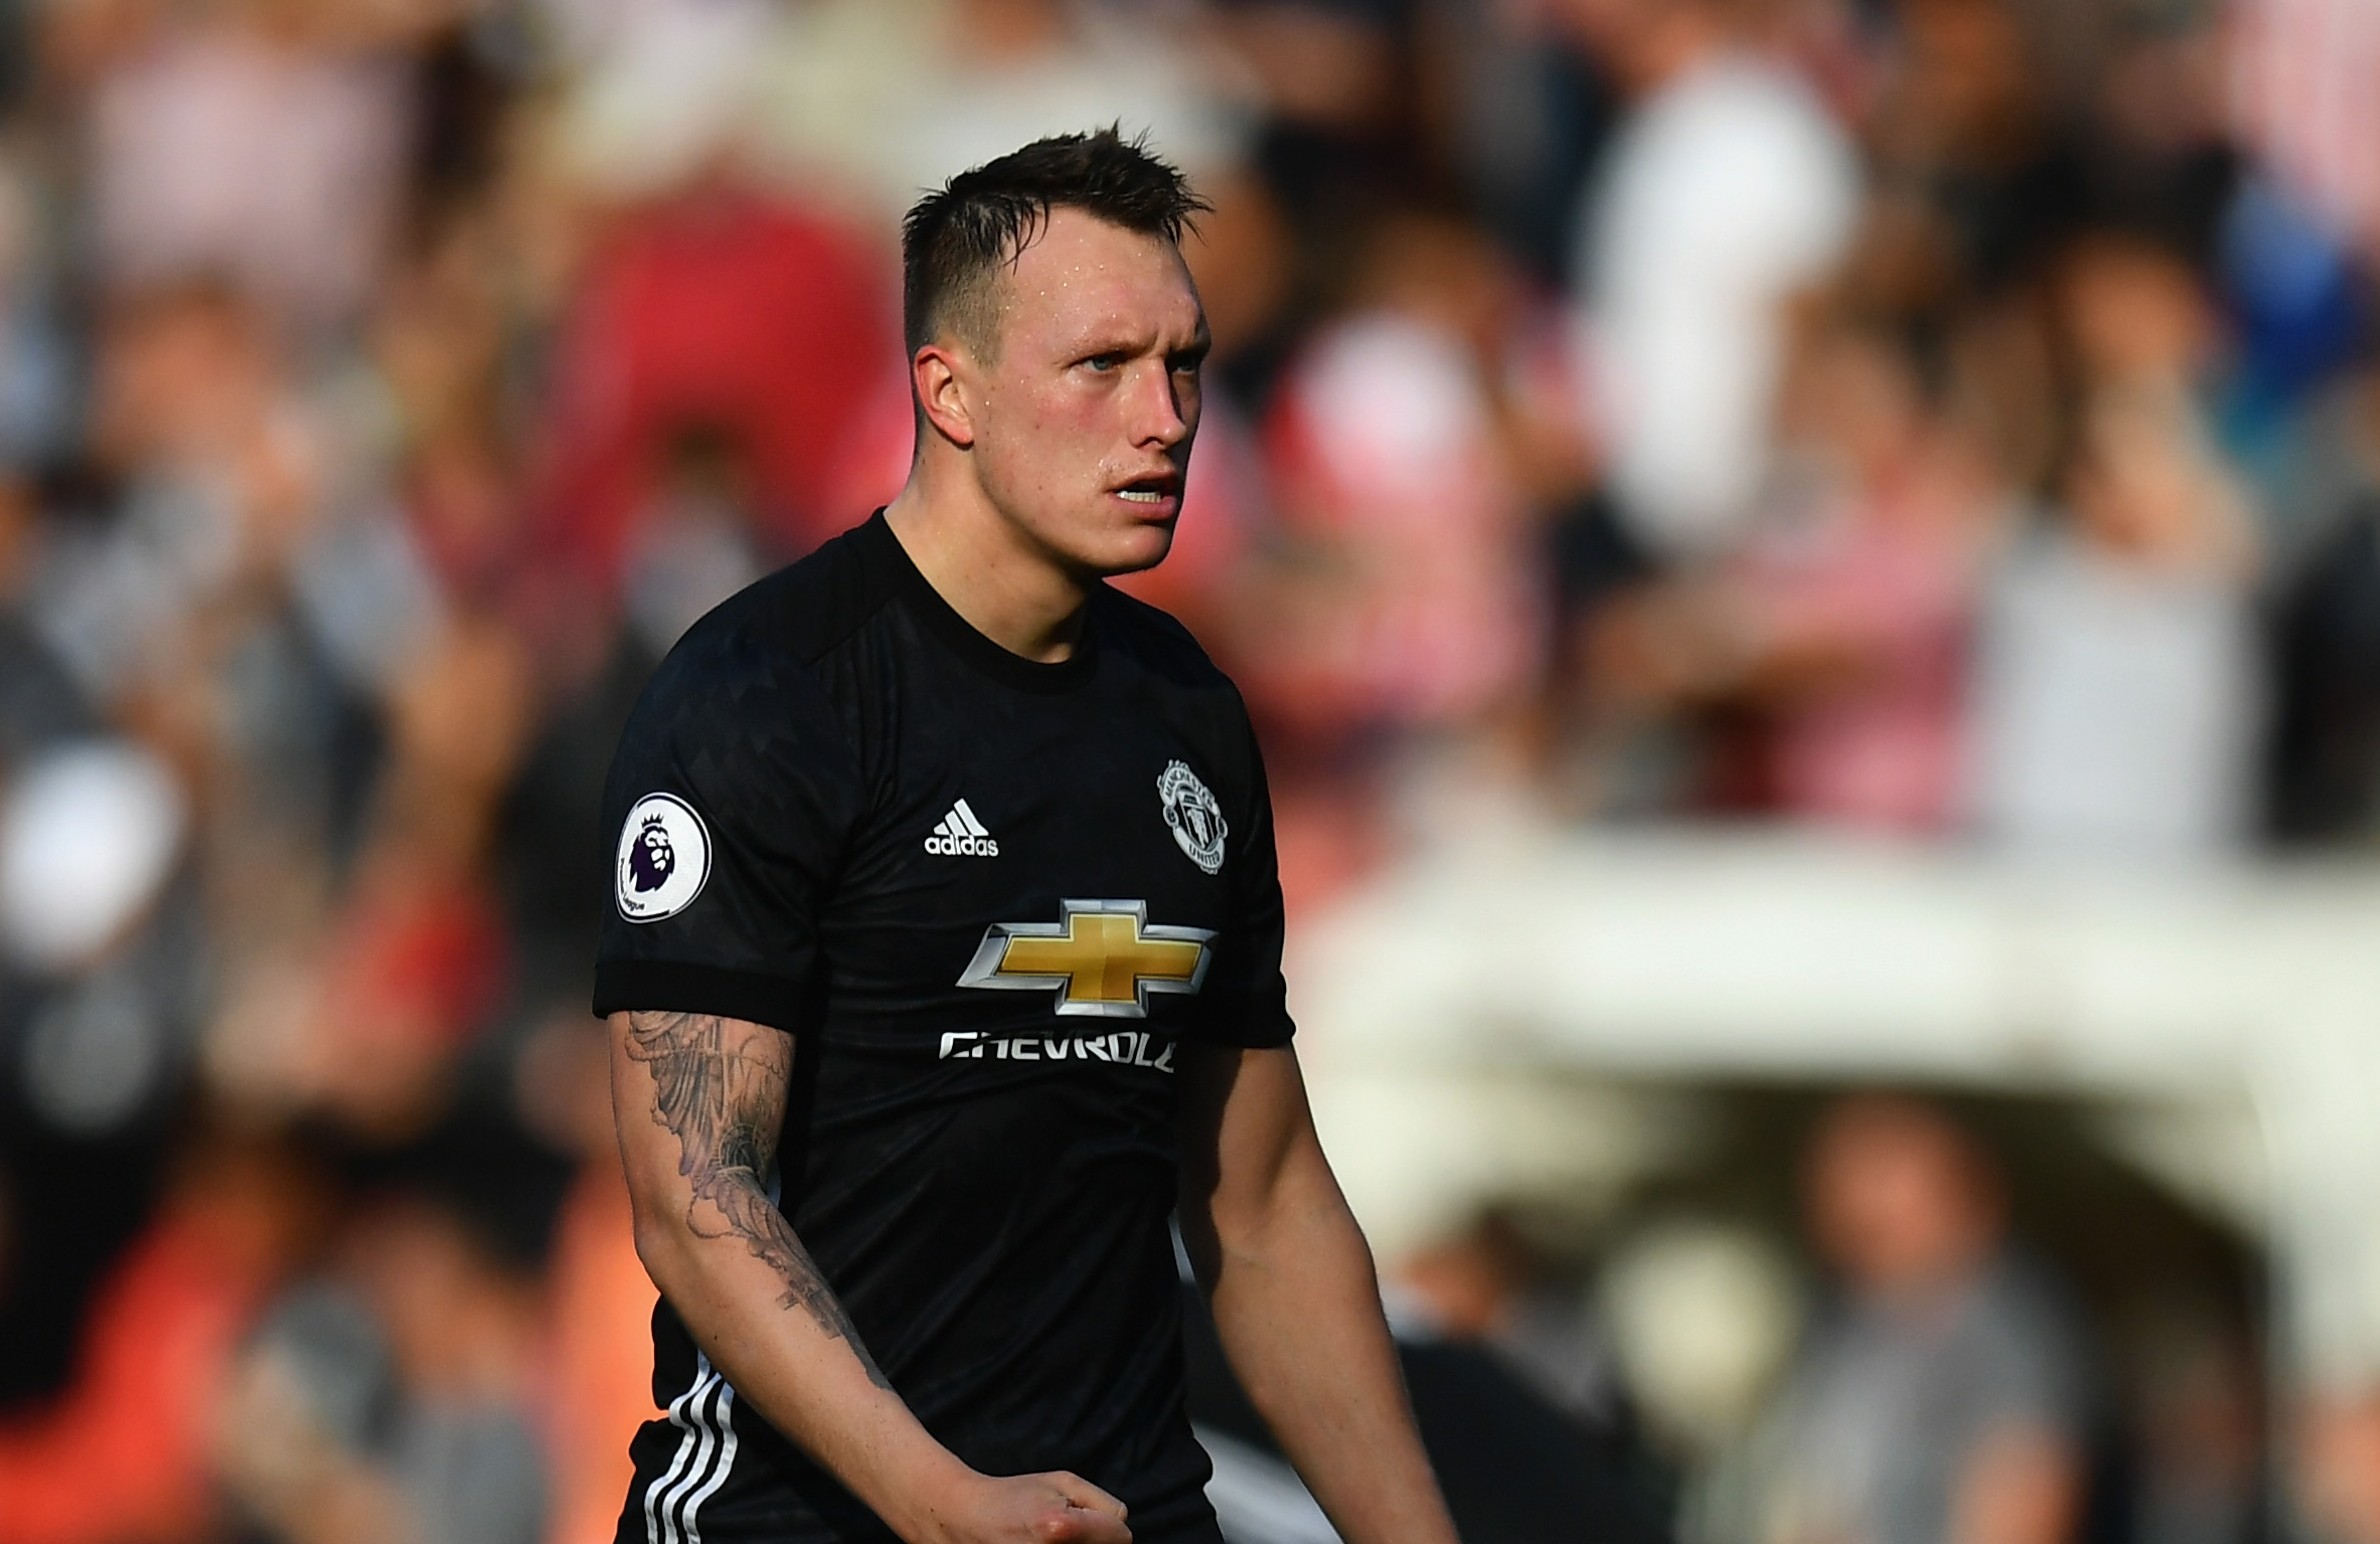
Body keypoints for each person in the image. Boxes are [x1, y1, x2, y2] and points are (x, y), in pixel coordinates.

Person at [592, 129, 1460, 1544]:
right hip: (809, 1520)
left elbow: (1266, 1207)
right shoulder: (767, 698)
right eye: (1103, 366)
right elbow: (696, 1189)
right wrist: (941, 1503)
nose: (1166, 417)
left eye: (1183, 364)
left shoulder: (1188, 719)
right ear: (952, 393)